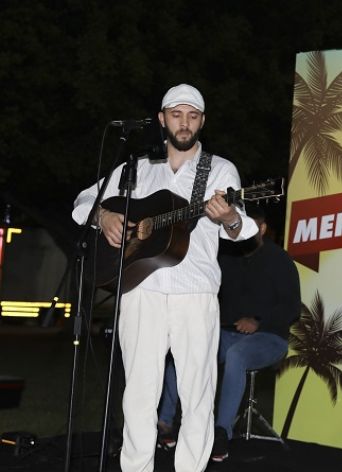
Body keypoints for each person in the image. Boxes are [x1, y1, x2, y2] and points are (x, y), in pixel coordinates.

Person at [72, 83, 257, 472]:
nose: (184, 123)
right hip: (140, 290)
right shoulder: (136, 168)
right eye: (176, 114)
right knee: (139, 394)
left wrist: (229, 217)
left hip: (196, 293)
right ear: (161, 119)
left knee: (197, 394)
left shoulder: (220, 170)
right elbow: (84, 201)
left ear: (202, 122)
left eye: (192, 116)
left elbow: (240, 231)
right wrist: (104, 216)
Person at [157, 204, 301, 462]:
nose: (238, 229)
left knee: (236, 354)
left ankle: (221, 433)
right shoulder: (226, 258)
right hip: (227, 334)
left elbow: (291, 307)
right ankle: (164, 425)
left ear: (262, 228)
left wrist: (258, 322)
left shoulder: (280, 260)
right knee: (183, 346)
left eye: (245, 225)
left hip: (270, 337)